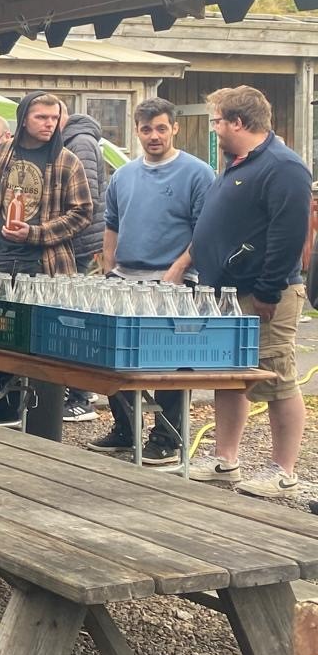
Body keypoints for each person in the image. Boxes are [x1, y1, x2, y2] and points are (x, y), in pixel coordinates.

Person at [180, 86, 310, 497]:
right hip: (224, 292)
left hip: (265, 293)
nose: (214, 128)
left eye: (216, 121)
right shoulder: (238, 163)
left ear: (238, 122)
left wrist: (268, 292)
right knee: (229, 377)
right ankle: (225, 460)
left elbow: (289, 235)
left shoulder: (282, 166)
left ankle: (283, 470)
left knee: (276, 378)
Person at [90, 97, 213, 465]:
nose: (154, 136)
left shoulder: (197, 173)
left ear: (174, 128)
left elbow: (205, 230)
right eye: (146, 129)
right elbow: (111, 223)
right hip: (126, 277)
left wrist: (178, 269)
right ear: (137, 130)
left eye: (161, 128)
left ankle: (166, 438)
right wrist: (109, 266)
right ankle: (125, 430)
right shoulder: (124, 175)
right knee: (114, 354)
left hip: (173, 278)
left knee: (169, 362)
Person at [0, 91, 92, 437]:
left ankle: (44, 431)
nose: (49, 124)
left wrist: (36, 232)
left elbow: (83, 214)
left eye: (54, 118)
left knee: (47, 352)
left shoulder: (67, 161)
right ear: (24, 119)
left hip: (47, 268)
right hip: (0, 264)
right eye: (41, 117)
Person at [57, 110, 113, 422]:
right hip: (78, 242)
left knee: (76, 320)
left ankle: (81, 397)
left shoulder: (79, 142)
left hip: (80, 244)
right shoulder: (75, 140)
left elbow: (84, 197)